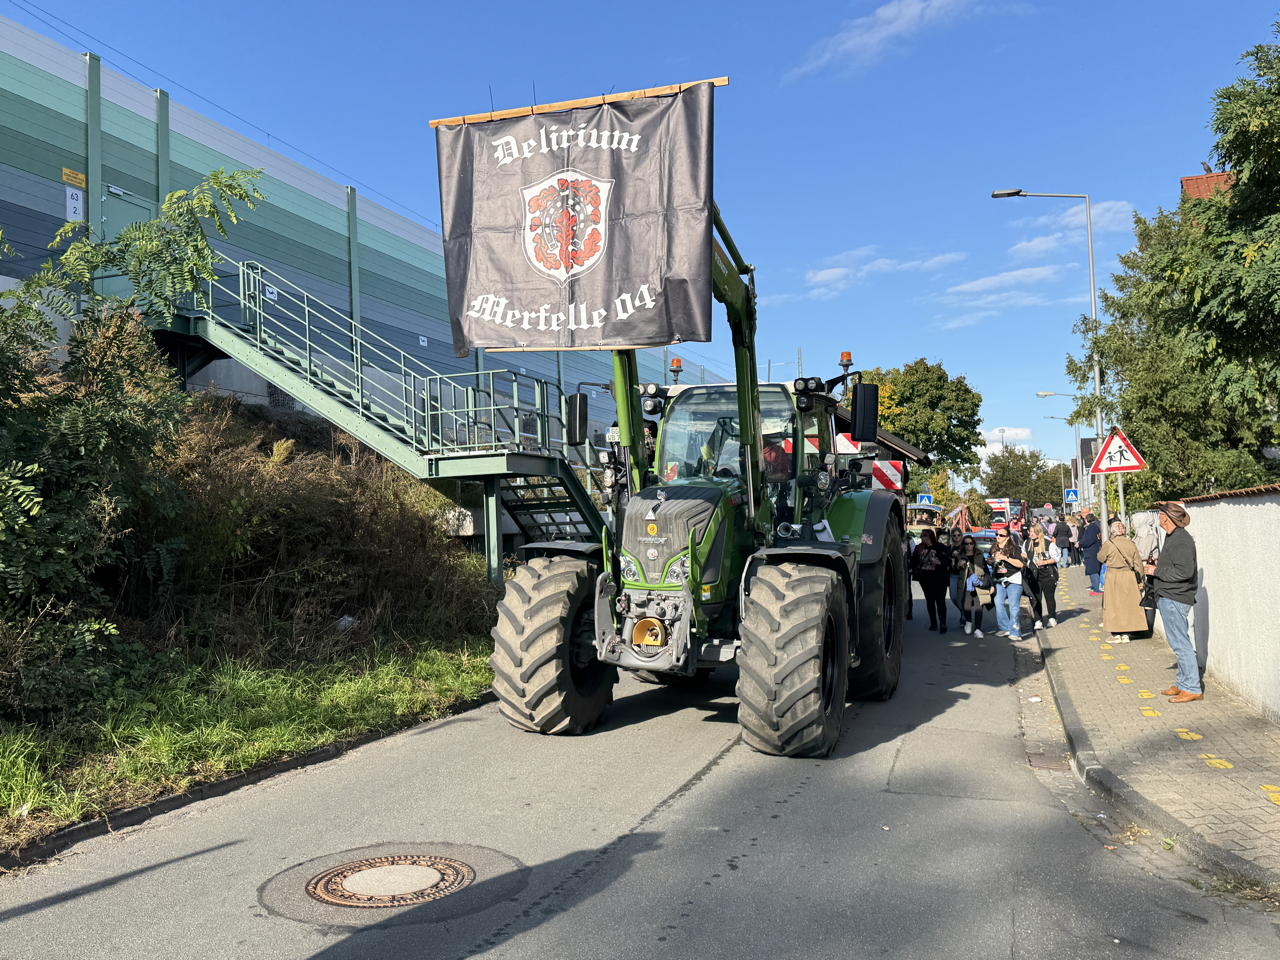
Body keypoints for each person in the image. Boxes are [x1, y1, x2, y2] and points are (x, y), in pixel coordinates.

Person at [1145, 502, 1201, 703]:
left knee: (1180, 644)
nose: (1158, 517)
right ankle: (1183, 682)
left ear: (1166, 518)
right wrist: (1158, 566)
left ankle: (1192, 687)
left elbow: (1184, 571)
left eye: (1160, 514)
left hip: (1175, 597)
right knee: (1177, 642)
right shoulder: (1173, 537)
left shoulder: (1181, 539)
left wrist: (1156, 570)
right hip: (1170, 595)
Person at [1096, 520, 1148, 643]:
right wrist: (1141, 579)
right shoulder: (1131, 543)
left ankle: (1116, 634)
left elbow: (1100, 558)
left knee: (1113, 606)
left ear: (1112, 531)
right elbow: (1138, 564)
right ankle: (1126, 634)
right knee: (1128, 605)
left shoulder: (1109, 544)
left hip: (1113, 576)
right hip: (1129, 576)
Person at [911, 528, 951, 633]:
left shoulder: (940, 547)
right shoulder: (919, 548)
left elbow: (947, 561)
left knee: (940, 601)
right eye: (921, 535)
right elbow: (913, 561)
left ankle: (943, 623)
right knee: (930, 601)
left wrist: (939, 562)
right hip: (925, 579)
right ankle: (933, 623)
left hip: (939, 578)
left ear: (930, 536)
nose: (922, 537)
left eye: (924, 535)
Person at [1023, 525, 1061, 629]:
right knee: (1035, 599)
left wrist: (1045, 562)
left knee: (1049, 597)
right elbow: (1024, 554)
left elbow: (1056, 558)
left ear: (1038, 532)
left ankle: (1052, 618)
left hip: (1047, 574)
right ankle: (1038, 620)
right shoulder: (1027, 543)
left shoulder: (1048, 543)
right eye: (1030, 531)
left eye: (1033, 532)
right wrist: (1026, 560)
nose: (1030, 534)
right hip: (1033, 575)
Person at [990, 529, 1026, 639]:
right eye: (997, 534)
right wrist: (991, 560)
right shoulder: (994, 547)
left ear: (1008, 537)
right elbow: (990, 561)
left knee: (1013, 606)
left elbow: (1020, 564)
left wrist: (1005, 558)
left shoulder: (1014, 548)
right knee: (998, 602)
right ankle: (1004, 628)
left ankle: (1015, 632)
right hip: (999, 580)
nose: (998, 536)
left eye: (1001, 535)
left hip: (1013, 580)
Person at [955, 535, 992, 638]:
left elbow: (986, 570)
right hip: (966, 584)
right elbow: (954, 569)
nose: (969, 546)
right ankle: (968, 622)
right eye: (966, 543)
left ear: (974, 544)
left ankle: (978, 629)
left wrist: (991, 584)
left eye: (971, 543)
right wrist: (958, 565)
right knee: (966, 606)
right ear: (963, 545)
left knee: (979, 607)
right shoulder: (960, 555)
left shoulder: (979, 554)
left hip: (978, 583)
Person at [1079, 512, 1103, 594]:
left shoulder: (1091, 528)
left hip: (1091, 551)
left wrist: (1080, 543)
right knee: (1094, 569)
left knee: (1093, 570)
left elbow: (1088, 540)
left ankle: (1096, 588)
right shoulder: (1095, 526)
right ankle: (1094, 586)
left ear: (1086, 520)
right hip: (1095, 550)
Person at [946, 528, 966, 619]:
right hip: (953, 575)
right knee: (953, 597)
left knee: (963, 597)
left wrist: (958, 555)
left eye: (958, 535)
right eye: (954, 535)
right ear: (952, 537)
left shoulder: (965, 547)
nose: (956, 537)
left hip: (963, 574)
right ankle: (963, 612)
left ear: (961, 536)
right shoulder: (950, 548)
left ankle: (964, 616)